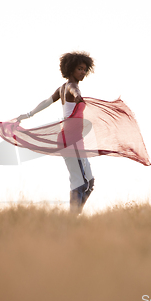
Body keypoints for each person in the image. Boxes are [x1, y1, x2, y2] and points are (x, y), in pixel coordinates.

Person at [14, 51, 95, 214]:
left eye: (85, 70)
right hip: (70, 139)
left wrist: (29, 114)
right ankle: (73, 220)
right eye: (80, 68)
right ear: (71, 69)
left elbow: (46, 102)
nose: (83, 72)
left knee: (89, 182)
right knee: (80, 183)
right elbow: (73, 91)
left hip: (75, 139)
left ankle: (75, 215)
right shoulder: (71, 87)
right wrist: (78, 95)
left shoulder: (61, 88)